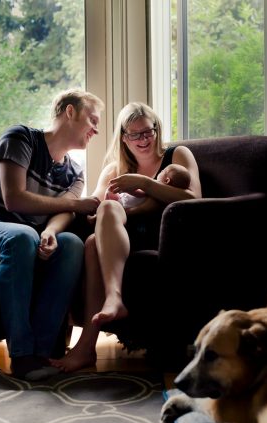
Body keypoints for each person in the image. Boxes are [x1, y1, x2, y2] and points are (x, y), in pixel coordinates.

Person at [0, 89, 104, 380]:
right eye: (92, 119)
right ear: (70, 112)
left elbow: (63, 213)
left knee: (71, 243)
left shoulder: (75, 171)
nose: (96, 129)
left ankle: (43, 352)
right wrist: (75, 203)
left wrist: (50, 231)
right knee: (22, 236)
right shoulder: (20, 138)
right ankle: (22, 356)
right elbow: (15, 199)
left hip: (31, 236)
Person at [50, 101, 201, 374]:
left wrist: (144, 184)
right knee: (93, 238)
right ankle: (92, 338)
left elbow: (194, 198)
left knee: (97, 238)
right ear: (124, 137)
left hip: (163, 236)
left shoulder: (177, 156)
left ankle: (99, 323)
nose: (143, 140)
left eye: (148, 132)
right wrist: (92, 212)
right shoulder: (113, 169)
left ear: (157, 129)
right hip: (121, 237)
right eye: (134, 134)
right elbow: (95, 207)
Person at [104, 163, 191, 214]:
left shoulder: (156, 189)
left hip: (124, 206)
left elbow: (140, 193)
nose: (161, 171)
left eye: (163, 171)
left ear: (167, 180)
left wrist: (130, 190)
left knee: (109, 199)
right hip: (125, 206)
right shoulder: (164, 195)